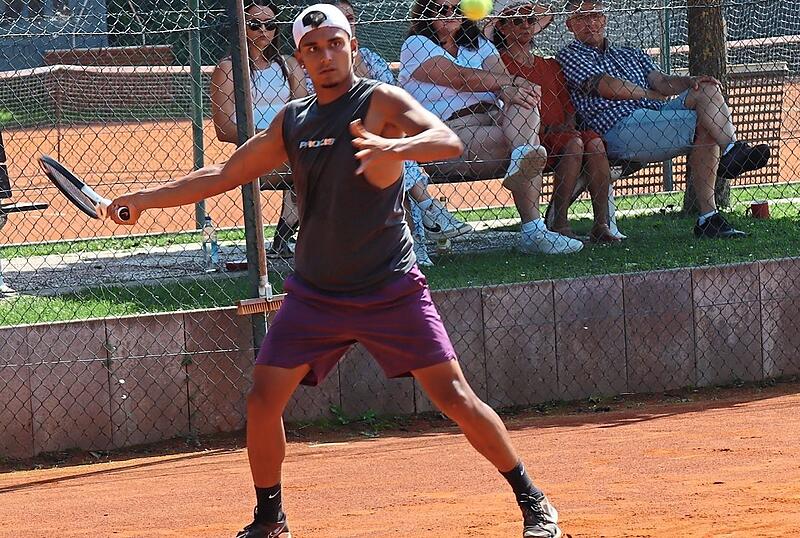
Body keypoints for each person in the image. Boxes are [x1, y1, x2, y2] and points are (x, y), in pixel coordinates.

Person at [106, 5, 563, 538]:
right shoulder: (293, 120)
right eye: (313, 48)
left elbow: (447, 141)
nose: (325, 56)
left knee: (454, 396)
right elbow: (224, 174)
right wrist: (142, 199)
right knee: (262, 399)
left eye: (334, 44)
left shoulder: (380, 100)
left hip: (390, 286)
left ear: (350, 44)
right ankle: (269, 517)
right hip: (316, 294)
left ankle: (532, 500)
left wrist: (396, 145)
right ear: (300, 56)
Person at [558, 0, 770, 239]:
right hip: (619, 127)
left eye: (595, 16)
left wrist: (690, 81)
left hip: (655, 118)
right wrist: (649, 94)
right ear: (569, 25)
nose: (590, 23)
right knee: (705, 125)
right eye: (581, 18)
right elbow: (607, 86)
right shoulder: (569, 55)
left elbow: (661, 82)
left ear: (605, 19)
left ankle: (732, 149)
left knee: (707, 90)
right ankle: (709, 214)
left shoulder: (629, 53)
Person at [400, 0, 583, 254]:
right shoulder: (417, 44)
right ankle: (534, 229)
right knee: (528, 142)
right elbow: (461, 77)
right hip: (448, 131)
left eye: (457, 8)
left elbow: (500, 76)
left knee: (524, 97)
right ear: (426, 13)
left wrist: (512, 86)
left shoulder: (479, 43)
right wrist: (509, 83)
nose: (451, 14)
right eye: (442, 9)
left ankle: (524, 160)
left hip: (497, 121)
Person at [328, 0, 473, 266]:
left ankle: (415, 239)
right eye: (339, 18)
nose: (347, 22)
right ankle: (427, 217)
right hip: (337, 137)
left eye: (350, 16)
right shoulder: (316, 61)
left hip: (376, 134)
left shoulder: (369, 57)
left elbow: (388, 96)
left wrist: (355, 62)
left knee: (394, 148)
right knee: (394, 148)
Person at [487, 0, 619, 243]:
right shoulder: (497, 64)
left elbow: (567, 105)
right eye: (517, 20)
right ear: (502, 28)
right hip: (528, 135)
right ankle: (559, 221)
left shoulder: (550, 65)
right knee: (575, 143)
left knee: (594, 143)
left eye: (530, 20)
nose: (526, 25)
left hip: (563, 133)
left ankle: (603, 223)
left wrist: (567, 126)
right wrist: (550, 129)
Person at [211, 0, 309, 259]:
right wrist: (268, 137)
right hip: (255, 154)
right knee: (311, 163)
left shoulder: (288, 65)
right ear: (242, 27)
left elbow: (304, 111)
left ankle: (287, 240)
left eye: (270, 25)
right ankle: (287, 239)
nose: (263, 31)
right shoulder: (228, 68)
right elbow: (224, 128)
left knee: (321, 159)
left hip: (291, 149)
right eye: (254, 24)